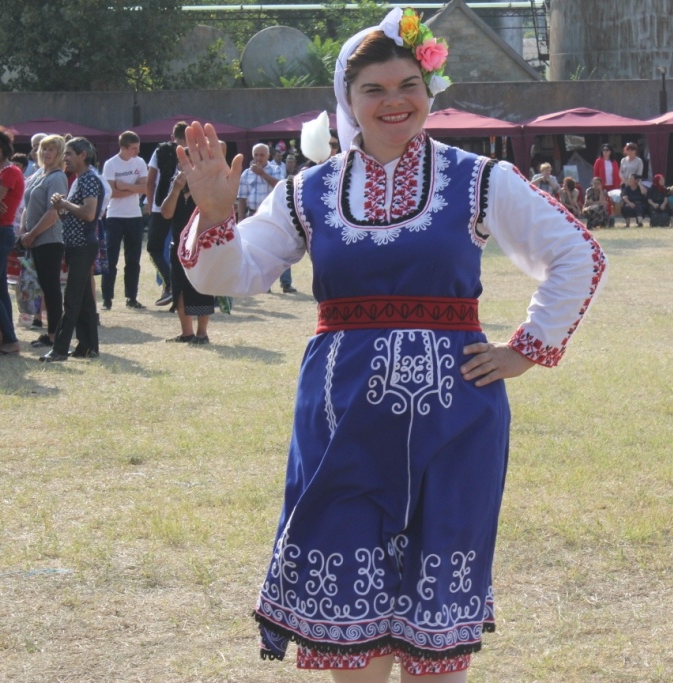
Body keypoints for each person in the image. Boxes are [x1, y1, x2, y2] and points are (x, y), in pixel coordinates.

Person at [174, 7, 605, 680]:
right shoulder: (307, 192)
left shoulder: (477, 178)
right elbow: (232, 273)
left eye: (408, 84)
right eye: (373, 89)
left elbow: (576, 252)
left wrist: (526, 347)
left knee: (435, 643)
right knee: (352, 631)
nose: (394, 101)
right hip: (341, 424)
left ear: (429, 92)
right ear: (347, 103)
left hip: (456, 426)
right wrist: (214, 215)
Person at [40, 138, 102, 361]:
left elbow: (88, 213)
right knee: (84, 300)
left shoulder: (89, 179)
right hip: (77, 245)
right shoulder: (80, 179)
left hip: (83, 246)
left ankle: (59, 350)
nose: (64, 158)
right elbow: (74, 217)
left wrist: (64, 204)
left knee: (72, 299)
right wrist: (61, 207)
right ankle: (87, 347)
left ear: (82, 155)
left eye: (68, 154)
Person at [18, 134, 68, 350]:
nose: (46, 153)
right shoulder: (39, 174)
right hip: (33, 238)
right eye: (44, 149)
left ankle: (55, 335)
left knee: (51, 288)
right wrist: (23, 231)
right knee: (42, 288)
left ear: (59, 154)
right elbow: (28, 204)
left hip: (49, 239)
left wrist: (33, 234)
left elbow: (53, 213)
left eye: (51, 150)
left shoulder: (57, 177)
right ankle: (49, 332)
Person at [160, 155, 213, 345]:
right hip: (178, 247)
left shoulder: (206, 186)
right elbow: (166, 214)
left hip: (202, 246)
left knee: (202, 289)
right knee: (179, 290)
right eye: (182, 165)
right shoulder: (175, 187)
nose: (185, 169)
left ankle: (202, 334)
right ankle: (186, 333)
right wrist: (175, 189)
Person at [236, 142, 293, 292]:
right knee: (258, 251)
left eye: (262, 155)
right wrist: (241, 218)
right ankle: (263, 284)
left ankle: (286, 283)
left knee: (281, 248)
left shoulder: (276, 169)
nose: (258, 158)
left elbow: (281, 188)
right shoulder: (246, 173)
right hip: (253, 213)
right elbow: (241, 197)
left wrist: (262, 174)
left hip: (273, 215)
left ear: (268, 156)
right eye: (256, 155)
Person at [101, 130, 148, 310]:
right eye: (134, 148)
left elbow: (145, 188)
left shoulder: (140, 162)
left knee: (133, 260)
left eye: (138, 148)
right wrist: (134, 188)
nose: (137, 152)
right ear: (123, 148)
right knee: (111, 260)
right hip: (114, 217)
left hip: (134, 217)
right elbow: (112, 192)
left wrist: (126, 186)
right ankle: (107, 299)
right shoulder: (110, 164)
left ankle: (132, 297)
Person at [0, 125, 25, 355]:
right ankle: (4, 337)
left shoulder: (10, 172)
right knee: (0, 289)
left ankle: (10, 338)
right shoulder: (0, 174)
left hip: (1, 233)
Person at [146, 121, 188, 307]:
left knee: (154, 249)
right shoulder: (196, 151)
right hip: (186, 205)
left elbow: (150, 180)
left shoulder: (161, 150)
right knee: (182, 248)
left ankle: (170, 285)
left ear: (173, 137)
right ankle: (184, 287)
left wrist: (149, 204)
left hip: (161, 204)